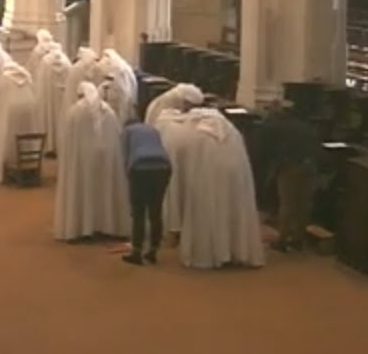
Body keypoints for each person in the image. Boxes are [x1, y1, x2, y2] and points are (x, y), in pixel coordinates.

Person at [155, 107, 265, 269]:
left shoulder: (189, 133)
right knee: (235, 212)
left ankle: (210, 254)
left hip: (204, 181)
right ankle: (235, 251)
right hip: (235, 180)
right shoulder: (231, 131)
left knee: (207, 214)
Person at [54, 82, 130, 241]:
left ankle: (81, 227)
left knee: (83, 192)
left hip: (81, 162)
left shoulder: (75, 112)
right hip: (106, 160)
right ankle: (106, 225)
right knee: (104, 191)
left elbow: (67, 141)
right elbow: (116, 136)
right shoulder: (108, 111)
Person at [256, 99, 322, 252]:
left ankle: (282, 240)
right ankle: (298, 239)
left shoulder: (277, 126)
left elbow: (265, 148)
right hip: (310, 166)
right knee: (304, 204)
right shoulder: (305, 126)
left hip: (290, 167)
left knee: (287, 204)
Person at [120, 123, 173, 265]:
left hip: (139, 167)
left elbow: (125, 156)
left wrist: (129, 178)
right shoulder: (153, 130)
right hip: (163, 167)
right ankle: (153, 251)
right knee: (155, 211)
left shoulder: (127, 131)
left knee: (138, 212)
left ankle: (136, 252)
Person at [0, 60, 40, 183]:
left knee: (7, 135)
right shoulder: (27, 76)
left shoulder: (5, 78)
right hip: (29, 107)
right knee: (28, 133)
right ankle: (29, 160)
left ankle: (10, 160)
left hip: (11, 109)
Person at [34, 45, 72, 154]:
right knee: (61, 120)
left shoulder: (45, 62)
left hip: (48, 99)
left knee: (49, 119)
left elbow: (40, 83)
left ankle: (49, 146)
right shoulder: (66, 62)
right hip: (62, 97)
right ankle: (61, 146)